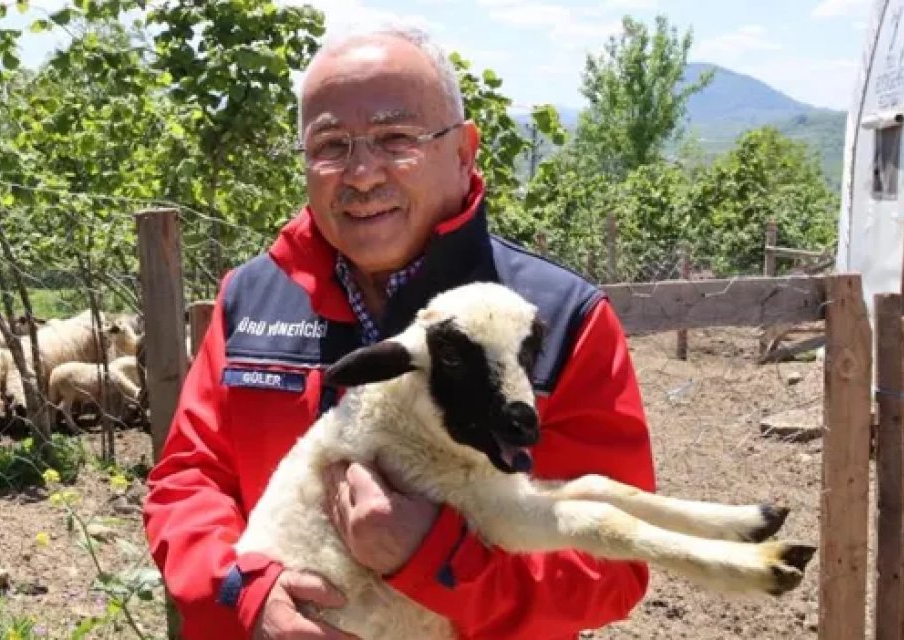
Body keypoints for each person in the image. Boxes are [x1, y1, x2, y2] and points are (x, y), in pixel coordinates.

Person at [143, 23, 656, 640]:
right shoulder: (251, 296)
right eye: (331, 145)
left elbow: (609, 569)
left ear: (464, 151)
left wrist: (436, 558)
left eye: (396, 137)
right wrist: (242, 589)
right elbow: (189, 480)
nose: (361, 173)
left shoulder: (559, 318)